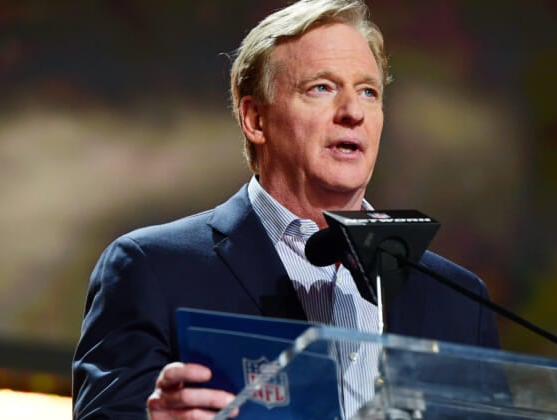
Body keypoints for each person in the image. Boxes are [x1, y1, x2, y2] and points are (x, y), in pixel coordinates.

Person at [72, 0, 501, 419]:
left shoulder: (458, 301)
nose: (353, 112)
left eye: (368, 92)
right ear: (255, 119)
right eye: (322, 88)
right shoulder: (154, 269)